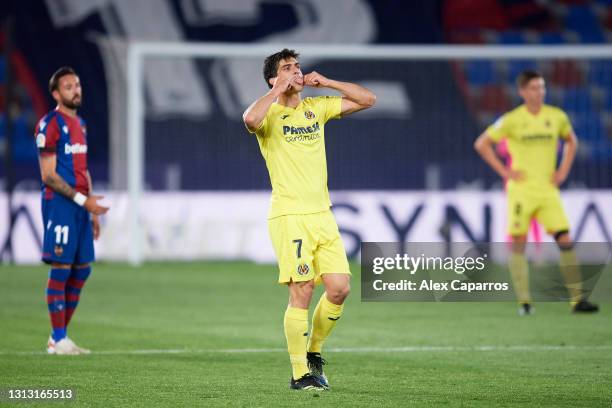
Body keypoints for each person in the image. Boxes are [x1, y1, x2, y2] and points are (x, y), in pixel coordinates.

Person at [243, 49, 375, 390]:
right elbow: (249, 120)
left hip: (323, 215)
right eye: (287, 68)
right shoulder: (270, 113)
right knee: (301, 290)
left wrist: (327, 82)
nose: (296, 72)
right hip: (290, 216)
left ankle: (314, 351)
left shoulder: (315, 108)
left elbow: (368, 99)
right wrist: (276, 90)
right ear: (274, 78)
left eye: (297, 66)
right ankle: (300, 373)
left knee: (340, 288)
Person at [474, 70, 598, 315]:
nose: (539, 92)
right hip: (521, 191)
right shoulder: (512, 119)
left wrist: (562, 170)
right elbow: (481, 143)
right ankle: (525, 302)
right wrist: (505, 171)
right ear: (522, 92)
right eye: (533, 88)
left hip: (548, 191)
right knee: (519, 245)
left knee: (565, 239)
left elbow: (572, 141)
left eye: (541, 87)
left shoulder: (557, 116)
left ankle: (577, 300)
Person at [35, 66, 109, 354]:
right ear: (55, 93)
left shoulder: (82, 125)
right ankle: (58, 336)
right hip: (60, 204)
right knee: (62, 268)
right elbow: (48, 175)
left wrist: (91, 210)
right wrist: (83, 201)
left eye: (77, 85)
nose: (76, 90)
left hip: (80, 207)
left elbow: (83, 169)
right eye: (68, 86)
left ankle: (60, 337)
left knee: (82, 270)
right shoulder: (50, 124)